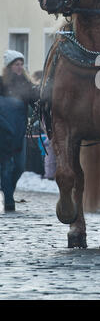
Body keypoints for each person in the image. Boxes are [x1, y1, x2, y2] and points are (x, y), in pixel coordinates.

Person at [0, 50, 39, 211]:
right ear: (9, 66)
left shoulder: (26, 84)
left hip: (20, 131)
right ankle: (9, 199)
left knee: (20, 166)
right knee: (7, 166)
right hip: (3, 131)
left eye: (21, 64)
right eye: (16, 64)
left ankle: (7, 188)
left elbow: (35, 101)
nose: (20, 67)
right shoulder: (1, 83)